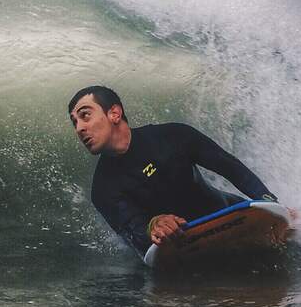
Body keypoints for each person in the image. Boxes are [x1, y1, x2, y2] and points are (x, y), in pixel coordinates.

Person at [68, 85, 279, 258]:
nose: (79, 128)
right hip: (182, 246)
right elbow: (134, 231)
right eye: (75, 122)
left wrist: (269, 202)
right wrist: (153, 226)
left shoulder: (173, 136)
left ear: (114, 113)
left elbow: (231, 168)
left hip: (229, 215)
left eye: (85, 116)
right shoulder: (102, 189)